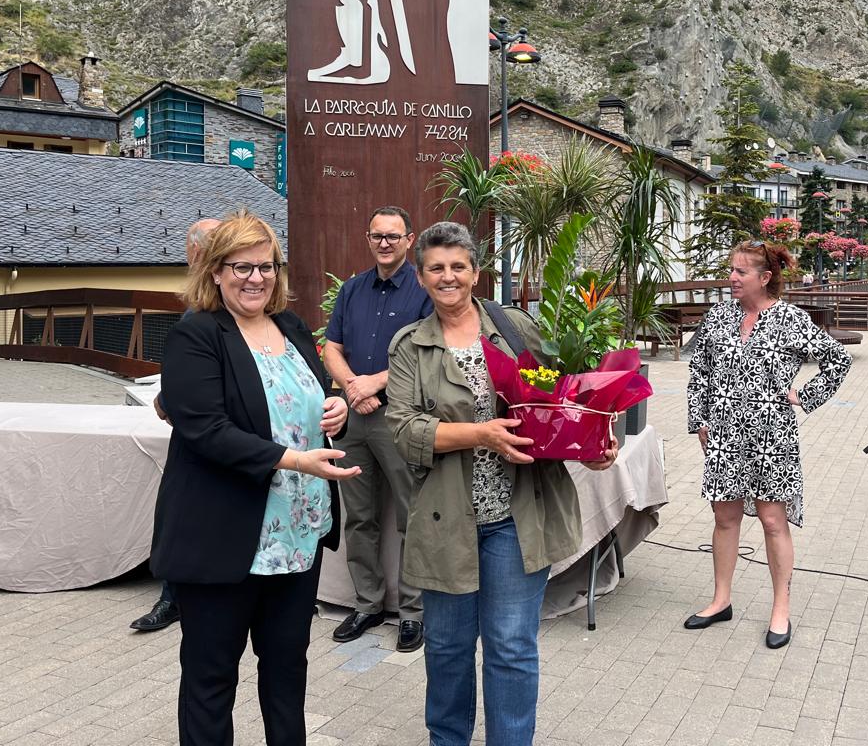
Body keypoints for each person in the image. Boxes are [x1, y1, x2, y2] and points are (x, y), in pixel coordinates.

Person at [387, 221, 617, 746]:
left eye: (458, 266)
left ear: (475, 271)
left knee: (511, 648)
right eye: (436, 268)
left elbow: (562, 398)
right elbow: (402, 430)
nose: (448, 277)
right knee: (446, 648)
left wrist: (593, 442)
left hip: (517, 516)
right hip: (447, 520)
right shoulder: (410, 345)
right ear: (420, 277)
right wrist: (480, 435)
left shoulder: (514, 327)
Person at [150, 212, 360, 746]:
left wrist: (334, 409)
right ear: (215, 272)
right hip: (225, 537)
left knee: (287, 673)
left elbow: (310, 398)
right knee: (211, 678)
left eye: (265, 267)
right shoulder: (196, 335)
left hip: (296, 536)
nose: (255, 278)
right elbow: (206, 430)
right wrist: (295, 460)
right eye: (241, 267)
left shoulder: (289, 327)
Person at [684, 240, 852, 646]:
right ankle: (721, 600)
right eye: (732, 270)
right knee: (725, 520)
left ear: (765, 277)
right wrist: (699, 420)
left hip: (771, 436)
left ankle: (781, 609)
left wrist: (804, 396)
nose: (733, 278)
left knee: (774, 522)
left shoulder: (790, 319)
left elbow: (837, 359)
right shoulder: (718, 317)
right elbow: (700, 369)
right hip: (723, 434)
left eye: (742, 272)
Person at [322, 206, 431, 652]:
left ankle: (413, 613)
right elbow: (331, 347)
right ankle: (367, 605)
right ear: (368, 239)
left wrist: (375, 382)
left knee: (412, 517)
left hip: (399, 419)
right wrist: (353, 386)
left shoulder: (423, 293)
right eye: (376, 236)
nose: (384, 243)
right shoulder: (351, 290)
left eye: (393, 236)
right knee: (359, 519)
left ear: (409, 239)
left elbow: (427, 351)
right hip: (354, 419)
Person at [131, 217, 221, 633]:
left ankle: (175, 599)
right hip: (197, 432)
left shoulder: (208, 308)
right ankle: (174, 596)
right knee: (179, 515)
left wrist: (167, 400)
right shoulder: (199, 305)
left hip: (208, 435)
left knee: (180, 516)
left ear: (196, 253)